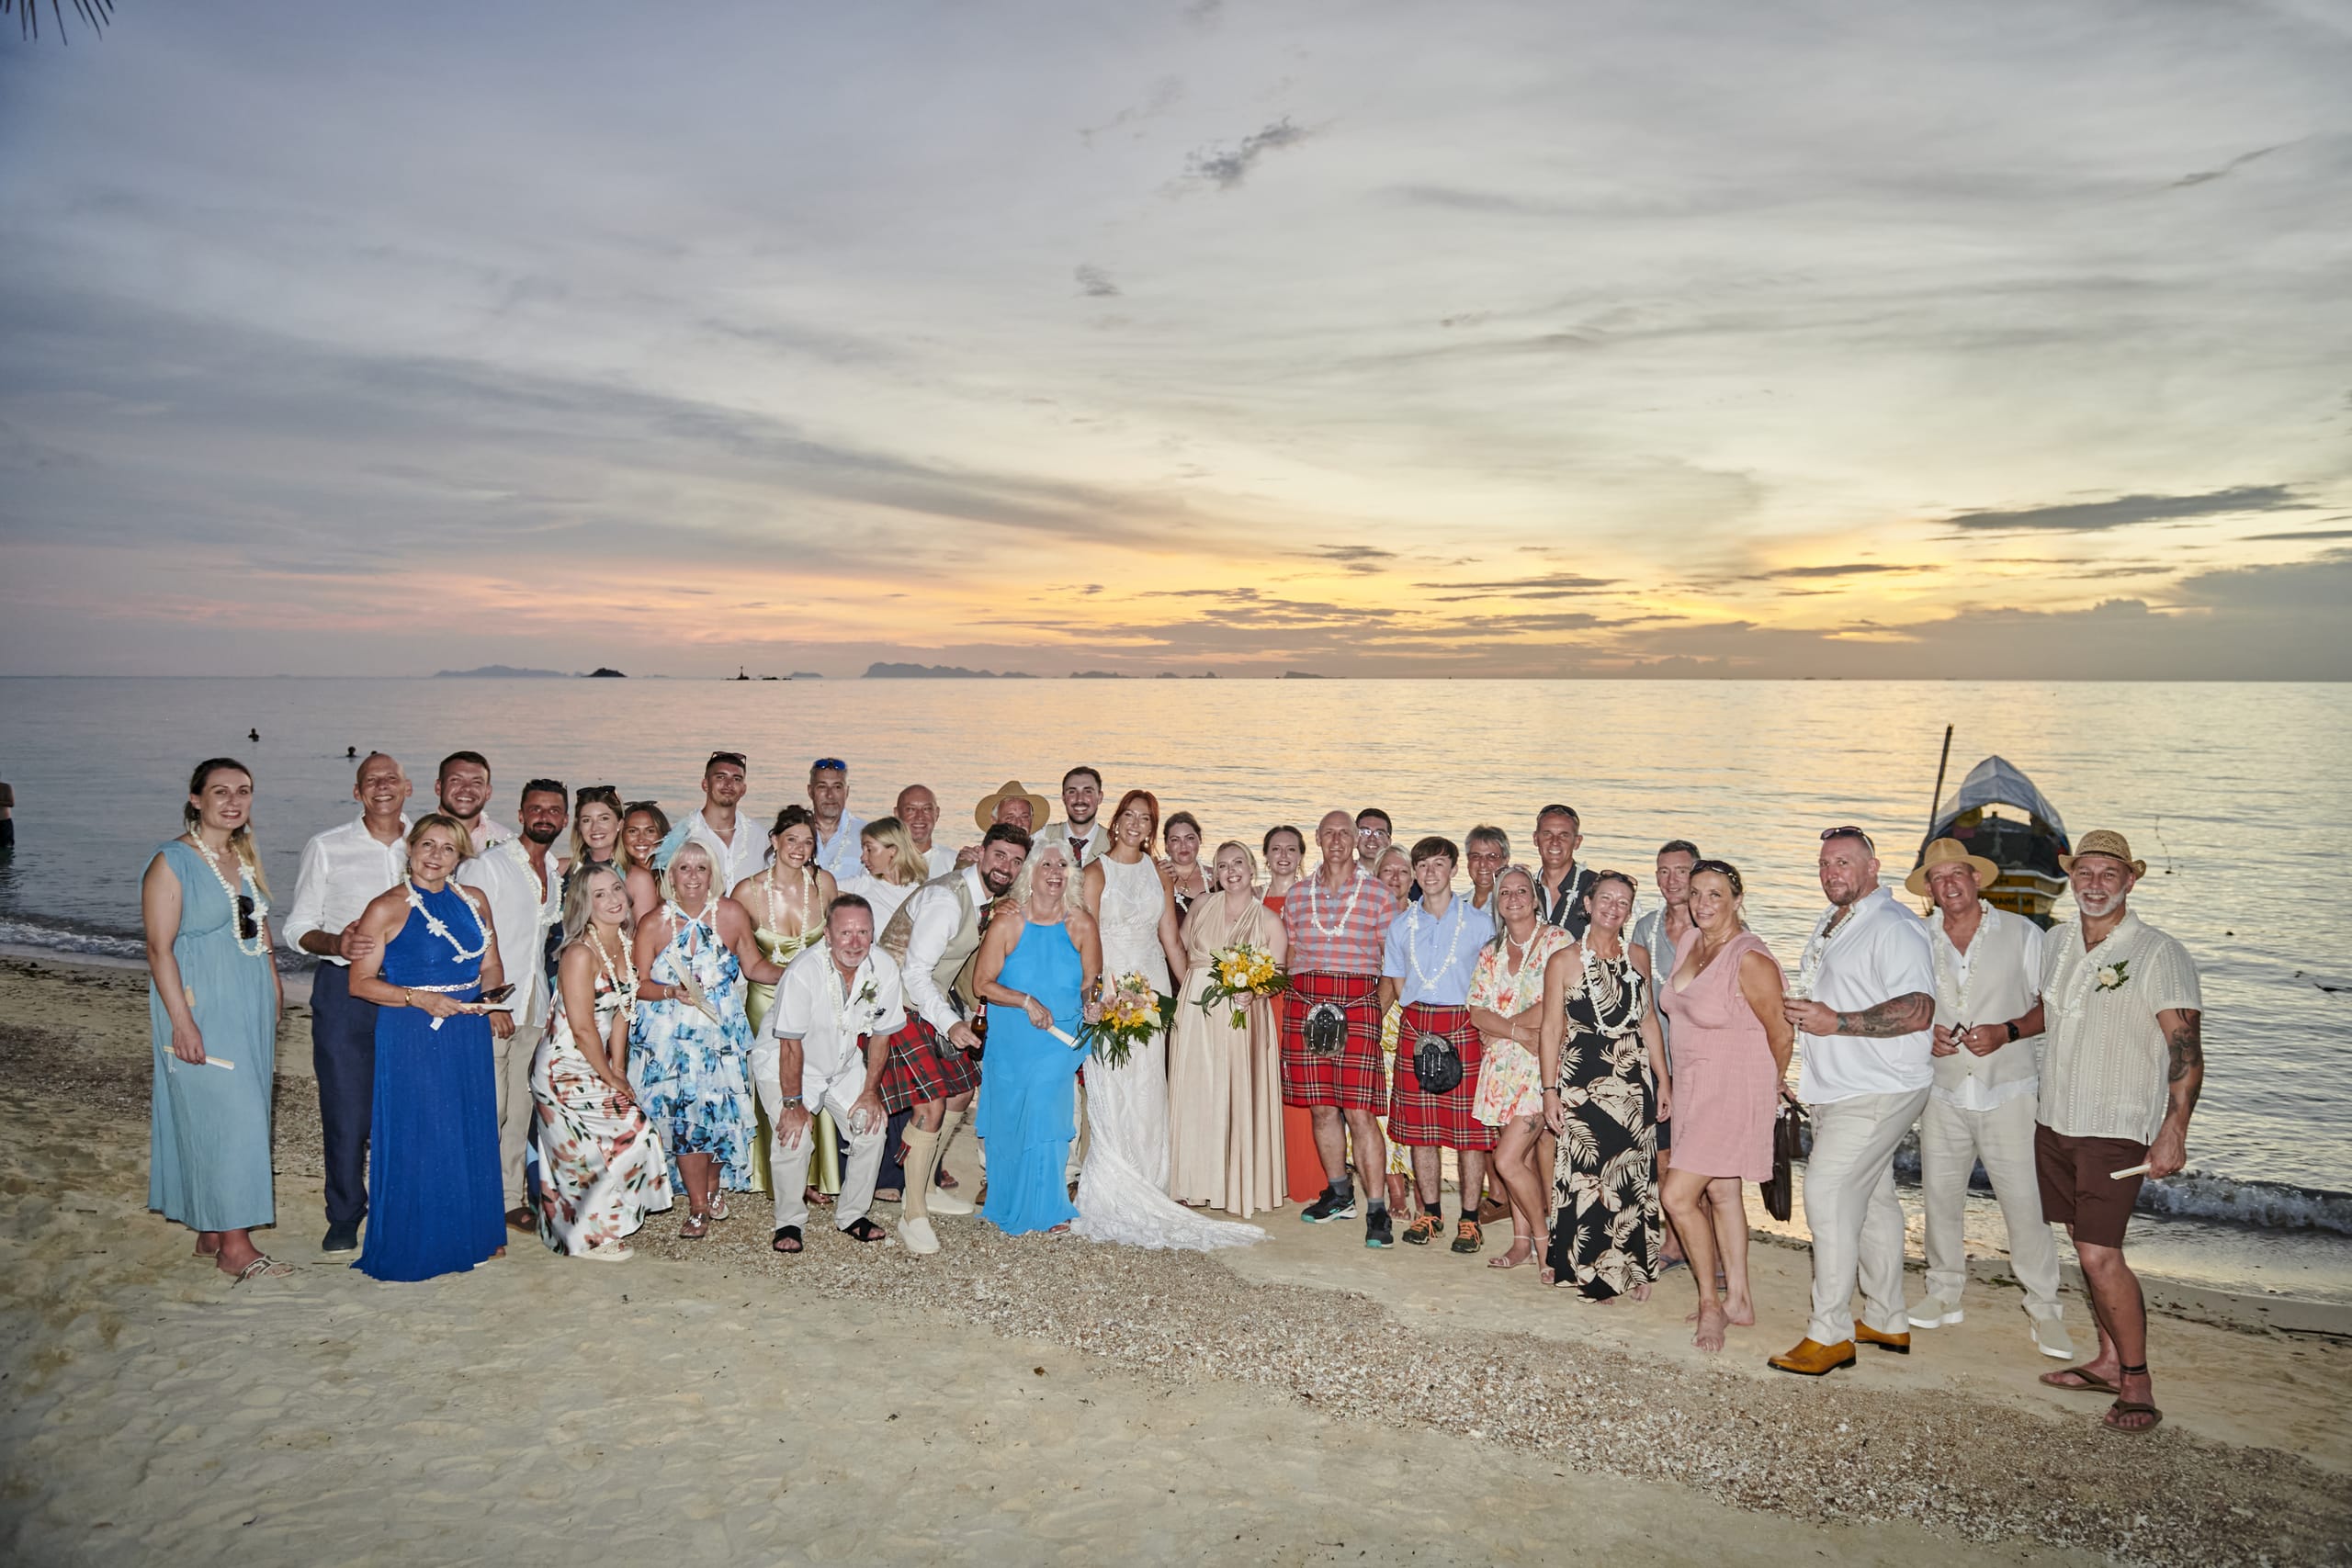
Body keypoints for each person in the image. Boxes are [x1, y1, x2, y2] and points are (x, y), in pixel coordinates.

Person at [2032, 829, 2202, 1435]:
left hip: (2114, 1126)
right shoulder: (2056, 941)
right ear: (2071, 877)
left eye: (2109, 873)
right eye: (2086, 872)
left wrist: (2173, 1129)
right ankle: (2106, 1359)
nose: (2095, 883)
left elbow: (2184, 1048)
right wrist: (1999, 1031)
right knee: (2082, 1240)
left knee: (2100, 1254)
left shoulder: (2158, 952)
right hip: (2055, 1118)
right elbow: (2048, 1012)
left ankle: (2137, 1382)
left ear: (2130, 880)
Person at [1769, 827, 1938, 1377]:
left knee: (1828, 1190)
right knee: (1876, 1199)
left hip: (1881, 1086)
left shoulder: (1896, 927)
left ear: (1873, 867)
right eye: (1824, 864)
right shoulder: (1835, 921)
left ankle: (1831, 1332)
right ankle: (1888, 1317)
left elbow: (1919, 1008)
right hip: (1839, 1085)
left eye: (1843, 863)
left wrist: (1837, 1022)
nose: (1831, 873)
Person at [1076, 790, 1261, 1250]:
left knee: (1149, 1088)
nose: (1137, 824)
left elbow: (1171, 941)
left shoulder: (1157, 874)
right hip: (1114, 985)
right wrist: (1095, 993)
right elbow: (1083, 938)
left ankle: (1152, 1179)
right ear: (1116, 821)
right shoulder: (1095, 873)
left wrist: (1193, 1000)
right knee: (1113, 1083)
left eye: (1146, 819)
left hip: (1154, 986)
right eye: (1130, 816)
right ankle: (1115, 1182)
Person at [1907, 837, 2069, 1359]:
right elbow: (1906, 1008)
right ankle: (1943, 1293)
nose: (1949, 883)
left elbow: (2054, 1008)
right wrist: (1923, 1034)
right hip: (1943, 1091)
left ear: (1977, 879)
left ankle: (2045, 1310)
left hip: (2011, 1093)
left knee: (2026, 1205)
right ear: (1929, 888)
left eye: (1958, 873)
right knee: (1940, 1200)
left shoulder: (2023, 934)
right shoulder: (1916, 938)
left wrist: (2009, 1032)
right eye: (1938, 877)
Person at [345, 815, 510, 1282]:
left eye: (448, 849)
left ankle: (472, 1234)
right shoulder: (386, 908)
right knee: (424, 1130)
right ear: (410, 847)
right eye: (428, 845)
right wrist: (419, 998)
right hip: (413, 1030)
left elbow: (491, 964)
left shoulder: (474, 901)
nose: (436, 856)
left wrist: (490, 999)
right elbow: (360, 984)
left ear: (461, 857)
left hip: (466, 1029)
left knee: (467, 1125)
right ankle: (420, 1243)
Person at [143, 759, 286, 1281]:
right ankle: (236, 1248)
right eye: (220, 791)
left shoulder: (241, 858)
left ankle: (211, 1229)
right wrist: (182, 1023)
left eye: (243, 791)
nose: (233, 801)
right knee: (233, 1120)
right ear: (196, 798)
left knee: (235, 1114)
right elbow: (160, 950)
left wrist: (273, 990)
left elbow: (259, 931)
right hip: (201, 1006)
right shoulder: (171, 861)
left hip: (248, 1004)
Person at [875, 823, 1032, 1253]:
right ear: (980, 853)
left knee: (962, 1092)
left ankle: (921, 1186)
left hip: (924, 1004)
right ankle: (913, 1214)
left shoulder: (986, 899)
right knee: (932, 1104)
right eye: (999, 855)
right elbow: (915, 973)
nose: (1007, 867)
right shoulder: (946, 898)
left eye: (1016, 861)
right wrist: (953, 1023)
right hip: (893, 1005)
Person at [1656, 860, 1791, 1351]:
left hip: (1733, 1088)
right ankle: (1739, 1300)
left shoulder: (1749, 958)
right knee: (1722, 1194)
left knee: (1675, 1197)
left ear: (1737, 900)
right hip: (1694, 1086)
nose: (1702, 904)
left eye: (1715, 894)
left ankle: (1711, 1306)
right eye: (1695, 894)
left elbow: (1780, 1030)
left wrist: (1769, 1089)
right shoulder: (1692, 941)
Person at [281, 750, 412, 1252]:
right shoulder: (328, 846)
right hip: (343, 991)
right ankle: (343, 1213)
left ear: (408, 788)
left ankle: (399, 1204)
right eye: (370, 780)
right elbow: (296, 927)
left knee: (405, 1104)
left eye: (391, 778)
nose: (382, 785)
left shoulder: (428, 843)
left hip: (408, 992)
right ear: (358, 793)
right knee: (345, 1109)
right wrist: (335, 942)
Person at [629, 840, 779, 1237]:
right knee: (686, 1120)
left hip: (720, 1034)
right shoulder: (653, 922)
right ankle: (697, 1207)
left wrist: (802, 971)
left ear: (712, 873)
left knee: (718, 1117)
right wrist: (669, 992)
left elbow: (755, 967)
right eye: (684, 868)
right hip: (671, 1040)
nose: (693, 876)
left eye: (701, 868)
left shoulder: (730, 914)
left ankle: (711, 1187)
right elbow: (636, 985)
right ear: (670, 875)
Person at [530, 864, 673, 1259]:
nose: (612, 900)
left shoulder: (624, 943)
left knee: (629, 1135)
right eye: (599, 895)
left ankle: (586, 1227)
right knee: (589, 1152)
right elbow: (582, 1028)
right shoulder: (579, 952)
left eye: (616, 890)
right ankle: (590, 1239)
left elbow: (625, 1011)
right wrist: (609, 1074)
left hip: (596, 1061)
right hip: (563, 1068)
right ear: (583, 904)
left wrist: (620, 1069)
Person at [1540, 871, 1669, 1299]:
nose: (1614, 908)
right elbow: (1550, 1028)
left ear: (1630, 911)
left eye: (1624, 902)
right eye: (1606, 899)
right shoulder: (1564, 960)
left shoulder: (1638, 956)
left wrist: (1663, 1081)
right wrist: (1549, 1091)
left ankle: (1632, 1267)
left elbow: (1648, 1019)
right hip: (1583, 1078)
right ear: (1588, 904)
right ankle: (1588, 1268)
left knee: (1632, 1173)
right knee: (1587, 1174)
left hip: (1633, 1078)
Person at [754, 896, 903, 1252]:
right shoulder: (804, 972)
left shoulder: (883, 968)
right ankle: (788, 1221)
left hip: (842, 1063)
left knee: (872, 1124)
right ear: (828, 935)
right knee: (794, 1136)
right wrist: (792, 1104)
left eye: (863, 932)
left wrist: (870, 1092)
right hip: (786, 1063)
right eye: (845, 932)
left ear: (873, 933)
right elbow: (790, 1045)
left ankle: (852, 1214)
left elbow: (882, 1036)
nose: (854, 942)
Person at [1282, 809, 1403, 1246]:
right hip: (1305, 1004)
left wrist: (1374, 1012)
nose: (1336, 840)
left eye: (1344, 834)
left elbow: (1394, 964)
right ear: (1317, 838)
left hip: (1358, 1006)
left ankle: (1377, 1211)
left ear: (1355, 841)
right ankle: (1338, 1194)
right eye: (1328, 832)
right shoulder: (1298, 895)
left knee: (1360, 1112)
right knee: (1320, 1107)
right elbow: (1290, 957)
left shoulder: (1377, 895)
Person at [972, 840, 1102, 1235]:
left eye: (1062, 865)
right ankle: (1010, 1197)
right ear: (1030, 873)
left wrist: (1093, 1005)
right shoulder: (1009, 922)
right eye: (1046, 864)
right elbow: (982, 983)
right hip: (1013, 1037)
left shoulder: (1081, 923)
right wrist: (1025, 1001)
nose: (1054, 871)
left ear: (1071, 876)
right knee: (1012, 1118)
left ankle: (1050, 1205)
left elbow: (1090, 982)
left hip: (1060, 1036)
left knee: (1047, 1110)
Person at [458, 779, 568, 1235]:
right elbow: (469, 937)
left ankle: (507, 1200)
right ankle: (472, 1198)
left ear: (563, 819)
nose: (545, 816)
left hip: (534, 1007)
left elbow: (541, 946)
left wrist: (544, 1007)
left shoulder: (555, 875)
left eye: (554, 810)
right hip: (492, 1007)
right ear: (521, 815)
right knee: (489, 1107)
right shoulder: (489, 866)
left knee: (519, 1110)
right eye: (536, 809)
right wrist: (490, 1001)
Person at [1380, 836, 1497, 1254]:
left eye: (1439, 865)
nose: (1430, 873)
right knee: (1420, 1132)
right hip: (1417, 1026)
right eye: (1423, 865)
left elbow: (1493, 980)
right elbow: (1394, 981)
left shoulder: (1481, 923)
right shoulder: (1400, 926)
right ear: (1414, 873)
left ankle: (1469, 1219)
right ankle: (1430, 1212)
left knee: (1469, 1133)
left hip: (1464, 1026)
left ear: (1454, 870)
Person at [1168, 841, 1290, 1217]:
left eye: (1238, 863)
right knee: (1195, 1091)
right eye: (1223, 866)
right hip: (1195, 1012)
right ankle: (1191, 1181)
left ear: (1253, 869)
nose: (1231, 871)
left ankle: (1233, 1182)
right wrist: (1190, 988)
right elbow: (1181, 945)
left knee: (1232, 1092)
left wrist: (1253, 992)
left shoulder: (1268, 920)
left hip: (1242, 1015)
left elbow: (1279, 977)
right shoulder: (1203, 904)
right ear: (1215, 873)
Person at [1467, 866, 1573, 1269]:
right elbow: (1477, 1012)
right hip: (1499, 1071)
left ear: (1535, 897)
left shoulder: (1557, 942)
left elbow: (1557, 1003)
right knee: (1520, 1164)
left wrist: (1504, 1027)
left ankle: (1547, 1245)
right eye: (1505, 892)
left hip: (1541, 1066)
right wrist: (1514, 1031)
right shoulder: (1490, 951)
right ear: (1497, 901)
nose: (1513, 897)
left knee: (1507, 1160)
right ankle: (1520, 1242)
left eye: (1522, 890)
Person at [734, 806, 840, 1203]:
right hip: (767, 1001)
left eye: (807, 841)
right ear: (774, 841)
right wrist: (797, 978)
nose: (799, 848)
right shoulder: (747, 891)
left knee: (817, 1078)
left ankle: (814, 1177)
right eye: (791, 839)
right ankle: (769, 1174)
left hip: (816, 1000)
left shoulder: (824, 883)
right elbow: (743, 960)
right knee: (774, 1085)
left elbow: (839, 941)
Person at [1630, 840, 1701, 1267]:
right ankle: (1673, 1243)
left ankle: (1714, 1252)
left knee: (1709, 1171)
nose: (1671, 880)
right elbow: (1640, 1005)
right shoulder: (1647, 928)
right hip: (1657, 1065)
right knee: (1662, 1160)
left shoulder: (1712, 927)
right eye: (1663, 871)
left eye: (1681, 870)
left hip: (1703, 1063)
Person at [664, 750, 765, 889]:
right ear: (705, 784)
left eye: (737, 779)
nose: (729, 784)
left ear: (743, 789)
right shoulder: (683, 835)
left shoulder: (760, 837)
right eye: (720, 777)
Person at [839, 815, 928, 930]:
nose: (863, 857)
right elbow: (820, 888)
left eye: (869, 850)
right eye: (863, 850)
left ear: (893, 850)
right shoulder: (863, 884)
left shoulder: (925, 892)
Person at [1532, 805, 1598, 936]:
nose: (1555, 841)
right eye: (1547, 834)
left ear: (1577, 842)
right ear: (1536, 839)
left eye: (1564, 835)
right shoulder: (1524, 888)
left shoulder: (1596, 887)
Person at [960, 779, 1052, 866]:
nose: (1019, 823)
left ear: (1031, 820)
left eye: (1024, 817)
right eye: (1010, 818)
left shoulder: (1045, 857)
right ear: (994, 821)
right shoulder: (979, 859)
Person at [434, 750, 515, 850]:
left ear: (488, 792)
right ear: (438, 787)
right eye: (456, 780)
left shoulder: (507, 842)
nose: (467, 788)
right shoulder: (416, 837)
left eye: (476, 782)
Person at [807, 757, 867, 882]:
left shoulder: (867, 835)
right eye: (822, 787)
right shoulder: (793, 834)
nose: (830, 795)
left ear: (847, 792)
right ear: (810, 791)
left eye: (837, 787)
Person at [1035, 765, 1108, 867]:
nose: (1079, 799)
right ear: (1063, 798)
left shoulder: (1114, 844)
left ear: (1100, 797)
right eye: (1072, 792)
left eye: (1088, 792)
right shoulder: (1040, 838)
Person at [894, 784, 960, 878]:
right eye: (911, 809)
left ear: (936, 814)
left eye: (926, 809)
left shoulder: (953, 863)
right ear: (897, 814)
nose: (919, 816)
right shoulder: (878, 862)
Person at [619, 801, 670, 919]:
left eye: (650, 831)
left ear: (662, 835)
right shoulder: (615, 878)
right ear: (621, 835)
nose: (641, 839)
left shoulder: (676, 876)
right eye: (633, 831)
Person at [1162, 810, 1209, 918]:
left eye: (1190, 838)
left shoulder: (1219, 878)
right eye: (1175, 840)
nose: (1183, 846)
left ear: (1200, 839)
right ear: (1166, 846)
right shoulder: (1156, 878)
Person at [1463, 826, 1510, 916]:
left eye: (1492, 856)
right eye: (1476, 856)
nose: (1483, 864)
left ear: (1505, 860)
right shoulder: (1457, 905)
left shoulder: (1512, 905)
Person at [1261, 825, 1305, 913]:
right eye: (1276, 849)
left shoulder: (1312, 899)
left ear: (1301, 856)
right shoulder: (1252, 897)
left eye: (1291, 849)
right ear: (1266, 855)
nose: (1283, 855)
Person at [1353, 807, 1394, 877]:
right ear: (1355, 838)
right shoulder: (1340, 874)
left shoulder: (1399, 878)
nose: (1372, 838)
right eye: (1365, 832)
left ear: (1389, 841)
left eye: (1379, 833)